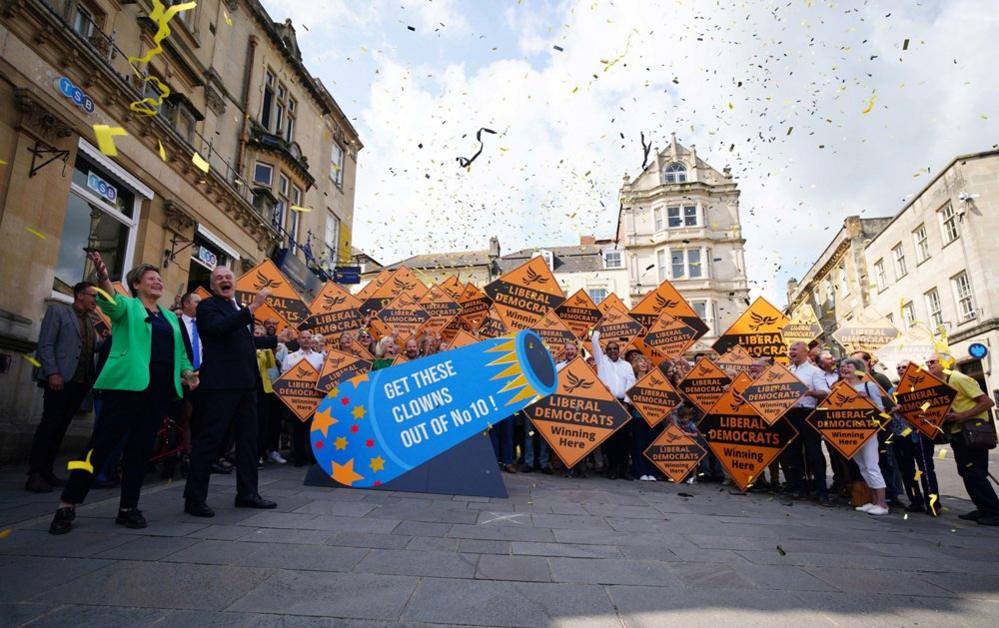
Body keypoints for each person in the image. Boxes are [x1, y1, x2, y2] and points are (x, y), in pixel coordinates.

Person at [49, 254, 199, 534]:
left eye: (158, 278)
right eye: (151, 278)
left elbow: (180, 354)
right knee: (99, 447)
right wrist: (104, 277)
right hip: (126, 391)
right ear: (136, 284)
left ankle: (128, 507)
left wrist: (188, 373)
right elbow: (111, 304)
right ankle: (67, 504)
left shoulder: (169, 317)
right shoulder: (127, 307)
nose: (157, 282)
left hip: (158, 393)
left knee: (140, 452)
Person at [183, 266, 293, 518]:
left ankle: (247, 493)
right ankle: (194, 498)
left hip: (246, 385)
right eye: (219, 278)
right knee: (209, 441)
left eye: (228, 277)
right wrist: (252, 308)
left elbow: (246, 341)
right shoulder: (208, 307)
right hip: (220, 386)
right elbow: (218, 330)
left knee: (248, 441)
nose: (224, 280)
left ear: (234, 283)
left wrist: (278, 340)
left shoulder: (236, 308)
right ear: (212, 286)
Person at [27, 281, 100, 493]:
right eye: (92, 296)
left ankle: (48, 471)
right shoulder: (58, 312)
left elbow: (91, 347)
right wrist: (52, 372)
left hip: (79, 383)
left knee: (61, 427)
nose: (95, 300)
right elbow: (46, 344)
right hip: (60, 379)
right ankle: (35, 474)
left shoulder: (89, 320)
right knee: (49, 425)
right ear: (79, 295)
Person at [925, 353, 999, 526]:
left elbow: (987, 402)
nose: (929, 364)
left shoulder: (958, 378)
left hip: (972, 432)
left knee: (976, 473)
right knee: (966, 472)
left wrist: (961, 415)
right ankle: (982, 508)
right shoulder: (941, 383)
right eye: (927, 362)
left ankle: (994, 511)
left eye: (932, 361)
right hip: (958, 433)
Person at [784, 341, 833, 505]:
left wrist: (808, 391)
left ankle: (821, 491)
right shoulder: (787, 371)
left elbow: (825, 392)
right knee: (793, 453)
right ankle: (800, 488)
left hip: (807, 414)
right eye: (790, 349)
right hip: (790, 414)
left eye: (794, 349)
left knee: (814, 453)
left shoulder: (814, 371)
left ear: (805, 352)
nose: (791, 352)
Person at [839, 358, 889, 516]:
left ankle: (882, 504)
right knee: (863, 467)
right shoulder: (841, 388)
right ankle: (873, 501)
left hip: (867, 432)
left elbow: (881, 409)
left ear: (858, 369)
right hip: (850, 433)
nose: (845, 369)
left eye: (849, 366)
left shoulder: (869, 385)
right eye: (843, 367)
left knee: (872, 466)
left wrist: (866, 399)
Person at [889, 360, 939, 515]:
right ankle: (915, 501)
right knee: (907, 471)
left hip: (920, 436)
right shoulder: (892, 391)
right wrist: (892, 410)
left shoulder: (923, 387)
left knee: (925, 470)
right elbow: (886, 412)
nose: (901, 369)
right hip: (900, 436)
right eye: (898, 367)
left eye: (904, 367)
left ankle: (933, 504)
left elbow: (934, 407)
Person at [591, 330, 636, 480]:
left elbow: (631, 384)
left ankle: (624, 470)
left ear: (619, 350)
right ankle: (612, 469)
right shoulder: (601, 361)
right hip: (608, 405)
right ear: (605, 351)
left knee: (624, 439)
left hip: (623, 404)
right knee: (610, 440)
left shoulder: (627, 365)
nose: (612, 351)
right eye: (609, 349)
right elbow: (594, 341)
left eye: (615, 349)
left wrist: (627, 403)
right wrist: (598, 327)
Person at [629, 353, 659, 481]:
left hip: (652, 418)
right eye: (641, 362)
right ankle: (640, 471)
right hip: (638, 418)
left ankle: (651, 471)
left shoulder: (654, 379)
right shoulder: (632, 380)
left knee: (651, 445)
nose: (644, 363)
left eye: (645, 362)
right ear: (635, 365)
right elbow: (629, 399)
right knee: (639, 445)